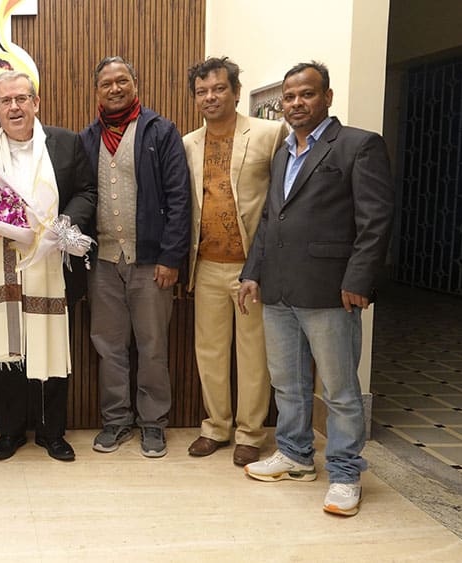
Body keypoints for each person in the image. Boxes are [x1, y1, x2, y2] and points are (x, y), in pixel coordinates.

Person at [238, 61, 394, 516]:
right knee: (287, 383)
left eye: (306, 94)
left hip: (331, 290)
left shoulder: (358, 145)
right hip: (279, 289)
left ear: (327, 96)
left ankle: (345, 473)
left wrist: (359, 280)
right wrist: (252, 272)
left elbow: (375, 221)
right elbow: (271, 220)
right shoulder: (283, 153)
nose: (296, 103)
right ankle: (296, 455)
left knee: (340, 390)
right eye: (289, 97)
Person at [0, 71, 97, 462]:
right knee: (8, 348)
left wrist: (66, 223)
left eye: (21, 98)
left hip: (52, 263)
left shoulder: (66, 142)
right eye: (5, 101)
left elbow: (87, 192)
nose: (14, 107)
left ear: (36, 102)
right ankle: (9, 432)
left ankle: (51, 433)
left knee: (50, 343)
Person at [78, 56, 191, 458]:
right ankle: (116, 420)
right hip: (103, 261)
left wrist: (171, 257)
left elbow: (179, 198)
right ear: (97, 91)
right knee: (108, 346)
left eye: (122, 80)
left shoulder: (161, 131)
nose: (115, 88)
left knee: (152, 345)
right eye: (106, 83)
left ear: (135, 84)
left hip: (151, 262)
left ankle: (153, 423)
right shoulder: (87, 138)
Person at [182, 57, 288, 466]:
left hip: (251, 268)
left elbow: (281, 200)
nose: (210, 97)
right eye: (202, 91)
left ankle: (250, 433)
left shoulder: (269, 134)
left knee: (252, 353)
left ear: (236, 91)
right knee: (209, 351)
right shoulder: (188, 143)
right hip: (206, 263)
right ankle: (216, 426)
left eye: (218, 88)